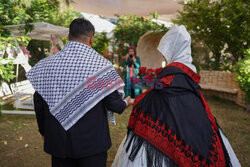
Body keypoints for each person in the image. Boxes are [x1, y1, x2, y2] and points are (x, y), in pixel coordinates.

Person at [112, 25, 241, 167]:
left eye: (165, 52)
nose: (163, 56)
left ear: (172, 50)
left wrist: (140, 98)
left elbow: (152, 99)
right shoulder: (188, 79)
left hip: (160, 135)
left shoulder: (169, 80)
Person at [26, 18, 133, 167]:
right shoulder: (100, 67)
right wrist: (126, 102)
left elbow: (38, 100)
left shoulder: (46, 65)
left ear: (69, 36)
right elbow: (115, 105)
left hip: (58, 142)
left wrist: (44, 131)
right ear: (91, 39)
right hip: (92, 144)